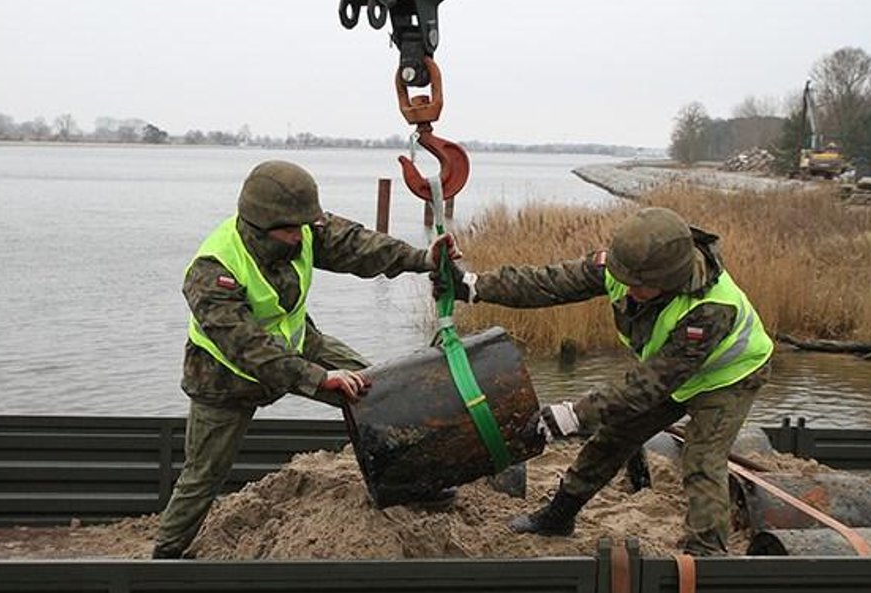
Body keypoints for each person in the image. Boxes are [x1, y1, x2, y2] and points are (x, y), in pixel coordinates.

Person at [152, 160, 457, 559]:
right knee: (202, 476)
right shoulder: (212, 271)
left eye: (305, 226)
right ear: (260, 226)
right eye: (290, 231)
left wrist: (423, 259)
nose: (302, 237)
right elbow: (250, 349)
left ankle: (414, 486)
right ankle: (165, 556)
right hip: (224, 379)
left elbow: (359, 246)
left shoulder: (303, 227)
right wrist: (319, 378)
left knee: (378, 394)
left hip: (299, 345)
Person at [434, 206, 773, 556]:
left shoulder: (711, 309)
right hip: (671, 372)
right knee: (612, 438)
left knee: (702, 461)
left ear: (671, 279)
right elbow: (550, 283)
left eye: (640, 286)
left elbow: (648, 385)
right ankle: (559, 516)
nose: (628, 289)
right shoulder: (622, 268)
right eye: (626, 279)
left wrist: (573, 415)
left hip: (728, 379)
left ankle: (707, 554)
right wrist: (474, 287)